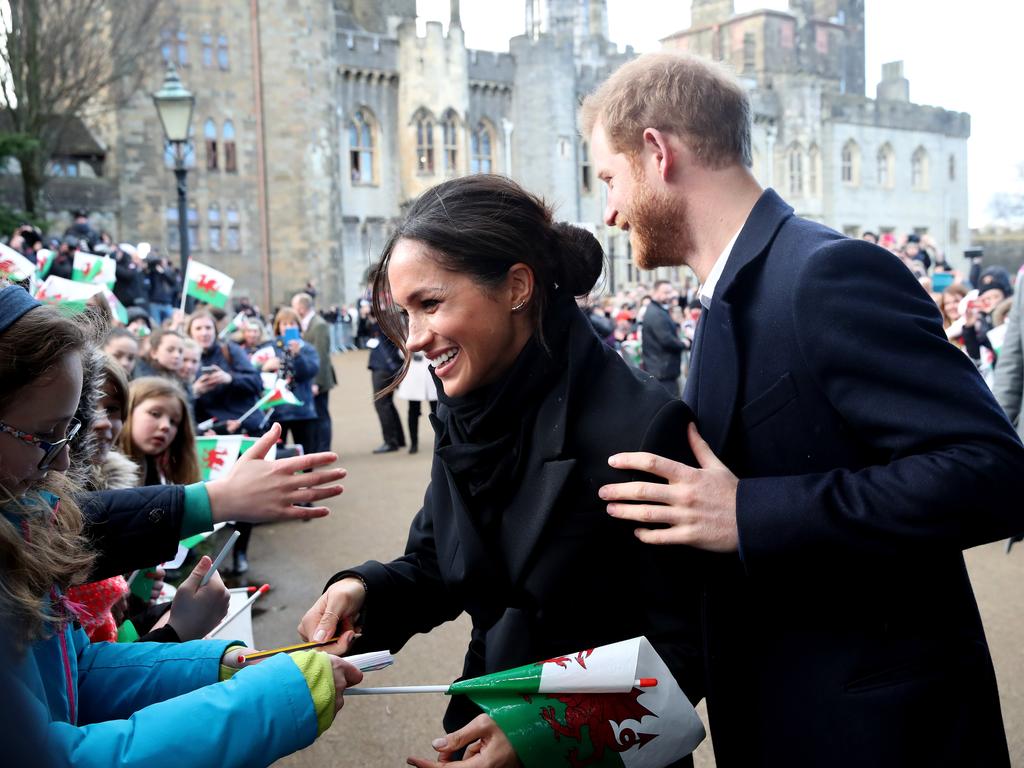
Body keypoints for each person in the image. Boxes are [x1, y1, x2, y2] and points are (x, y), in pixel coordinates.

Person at [581, 52, 1024, 767]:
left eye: (609, 178)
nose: (607, 210)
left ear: (657, 153)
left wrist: (747, 512)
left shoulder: (824, 273)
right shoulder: (728, 295)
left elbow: (994, 474)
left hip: (882, 739)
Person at [298, 175, 703, 768]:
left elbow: (691, 647)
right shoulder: (466, 412)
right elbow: (441, 563)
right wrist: (360, 591)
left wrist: (544, 731)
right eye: (404, 312)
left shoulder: (644, 428)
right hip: (477, 726)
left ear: (516, 286)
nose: (413, 340)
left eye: (430, 305)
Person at [0, 283, 362, 767]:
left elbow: (76, 674)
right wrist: (271, 700)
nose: (63, 460)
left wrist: (215, 667)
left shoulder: (21, 520)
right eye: (44, 435)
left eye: (68, 431)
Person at [188, 310, 265, 435]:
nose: (204, 333)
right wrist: (195, 391)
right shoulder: (184, 359)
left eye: (208, 328)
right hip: (212, 431)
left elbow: (257, 382)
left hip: (245, 425)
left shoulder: (230, 350)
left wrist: (229, 379)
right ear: (190, 333)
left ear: (215, 331)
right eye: (198, 328)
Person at [121, 377, 199, 486]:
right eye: (155, 414)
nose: (166, 426)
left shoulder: (153, 470)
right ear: (127, 411)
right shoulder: (101, 468)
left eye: (173, 422)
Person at [264, 307, 320, 452]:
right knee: (276, 454)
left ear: (299, 326)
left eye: (292, 324)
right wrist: (265, 367)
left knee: (306, 455)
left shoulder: (307, 349)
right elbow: (258, 377)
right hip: (277, 410)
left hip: (302, 409)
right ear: (278, 327)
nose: (288, 327)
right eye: (284, 324)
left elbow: (309, 372)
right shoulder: (269, 349)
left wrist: (298, 355)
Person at [291, 292, 335, 453]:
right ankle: (317, 447)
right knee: (316, 414)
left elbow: (321, 355)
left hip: (319, 378)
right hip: (312, 378)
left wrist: (316, 382)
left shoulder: (318, 325)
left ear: (301, 309)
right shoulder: (307, 324)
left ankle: (324, 448)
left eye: (294, 307)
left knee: (322, 414)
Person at [366, 312, 406, 453]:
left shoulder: (384, 320)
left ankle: (391, 441)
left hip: (384, 366)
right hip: (390, 364)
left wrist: (372, 317)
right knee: (387, 403)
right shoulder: (391, 318)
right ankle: (398, 438)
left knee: (381, 403)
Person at [642, 280, 687, 395]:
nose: (669, 296)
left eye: (670, 292)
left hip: (663, 370)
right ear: (655, 292)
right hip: (662, 372)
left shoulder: (658, 310)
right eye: (665, 292)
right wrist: (684, 344)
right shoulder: (656, 313)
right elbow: (666, 340)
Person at [395, 349, 437, 454]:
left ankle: (442, 440)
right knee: (413, 412)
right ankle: (414, 443)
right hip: (415, 375)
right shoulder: (408, 333)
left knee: (437, 412)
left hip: (432, 373)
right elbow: (401, 353)